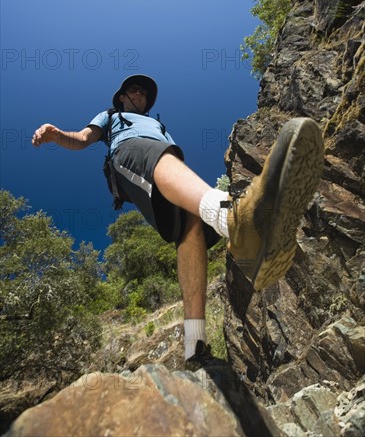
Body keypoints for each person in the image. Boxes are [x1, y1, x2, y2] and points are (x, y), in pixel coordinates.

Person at [32, 74, 324, 369]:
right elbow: (83, 139)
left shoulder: (159, 125)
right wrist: (57, 136)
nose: (141, 94)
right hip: (130, 152)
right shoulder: (111, 116)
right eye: (134, 89)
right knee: (166, 161)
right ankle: (233, 218)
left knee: (191, 225)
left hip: (165, 165)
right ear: (121, 96)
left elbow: (170, 163)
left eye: (145, 92)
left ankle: (194, 346)